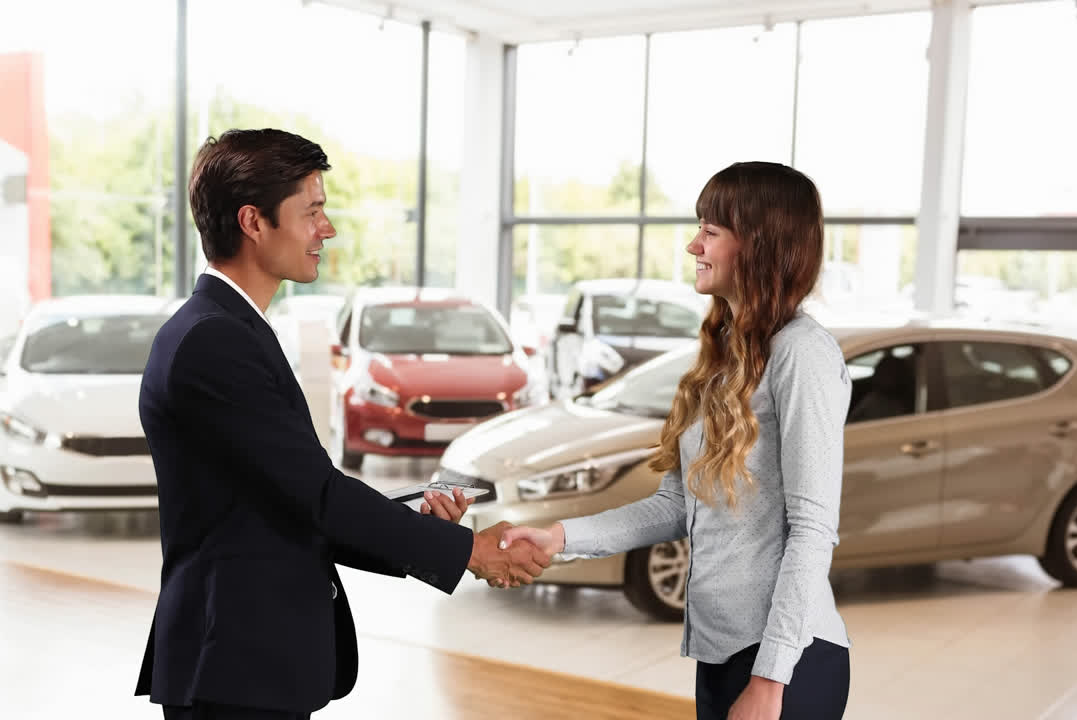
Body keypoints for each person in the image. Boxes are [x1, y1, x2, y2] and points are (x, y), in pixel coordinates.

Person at [135, 128, 550, 720]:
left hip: (247, 663)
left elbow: (287, 500)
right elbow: (316, 496)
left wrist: (412, 521)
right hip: (231, 664)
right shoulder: (214, 340)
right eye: (312, 212)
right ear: (254, 222)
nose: (325, 229)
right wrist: (468, 552)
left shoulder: (233, 329)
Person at [502, 161, 851, 720]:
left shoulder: (802, 354)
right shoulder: (728, 356)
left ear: (759, 244)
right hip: (722, 656)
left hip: (786, 663)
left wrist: (770, 678)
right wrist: (557, 537)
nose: (694, 245)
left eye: (711, 231)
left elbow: (813, 530)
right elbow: (676, 505)